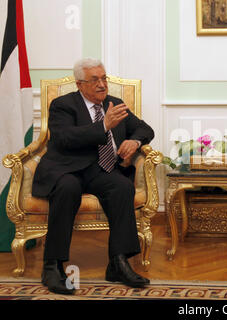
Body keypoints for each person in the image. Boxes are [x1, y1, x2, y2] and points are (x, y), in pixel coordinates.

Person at [32, 58, 155, 295]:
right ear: (80, 84)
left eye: (104, 78)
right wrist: (103, 126)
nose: (102, 84)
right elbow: (66, 139)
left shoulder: (115, 104)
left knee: (121, 187)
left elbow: (145, 129)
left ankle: (118, 263)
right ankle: (52, 266)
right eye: (94, 80)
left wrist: (134, 140)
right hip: (67, 168)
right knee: (67, 189)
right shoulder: (63, 105)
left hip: (99, 169)